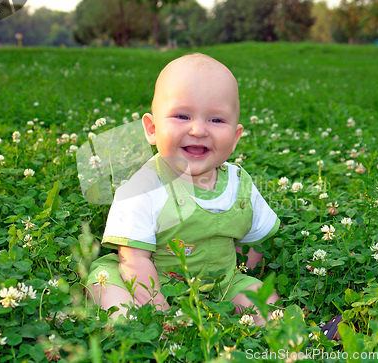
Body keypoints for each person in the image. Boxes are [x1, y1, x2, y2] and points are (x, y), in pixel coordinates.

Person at [87, 53, 281, 325]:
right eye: (181, 116)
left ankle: (293, 340)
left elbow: (256, 239)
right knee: (111, 296)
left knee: (263, 299)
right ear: (152, 129)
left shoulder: (240, 184)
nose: (198, 129)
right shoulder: (143, 187)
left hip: (219, 283)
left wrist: (238, 276)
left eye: (216, 120)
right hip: (146, 277)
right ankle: (144, 335)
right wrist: (163, 313)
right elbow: (134, 260)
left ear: (235, 138)